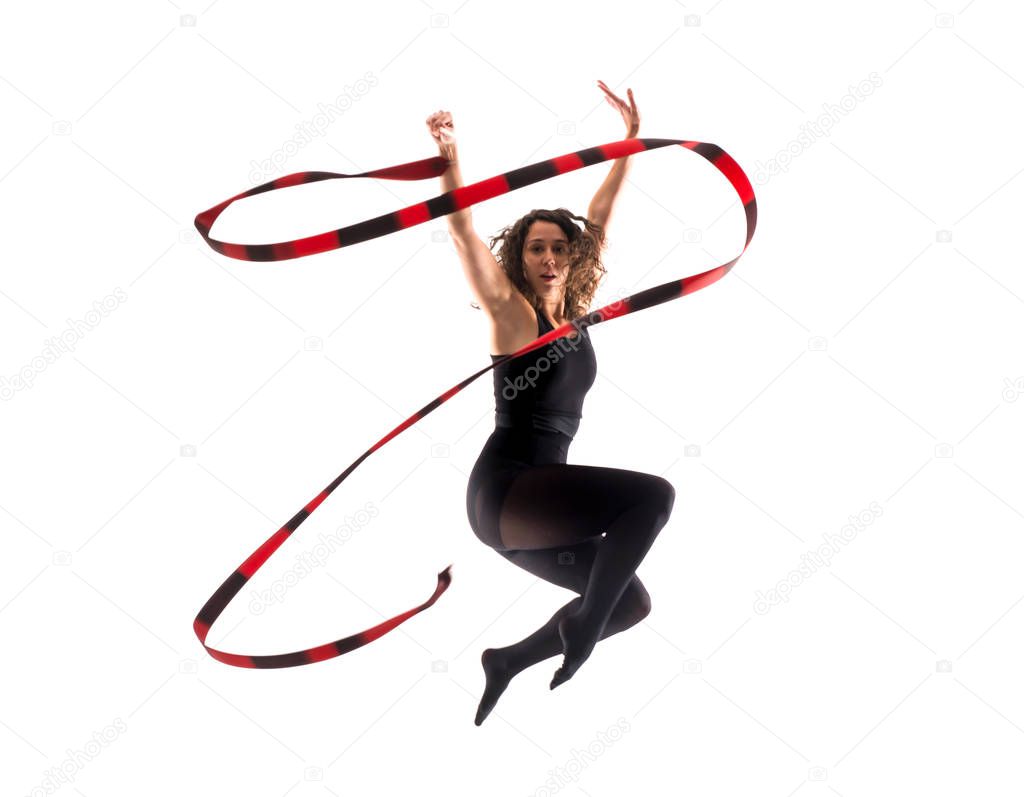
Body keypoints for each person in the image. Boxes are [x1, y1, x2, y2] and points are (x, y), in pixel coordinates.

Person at [425, 82, 676, 727]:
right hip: (508, 494)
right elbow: (460, 231)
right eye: (535, 247)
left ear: (573, 258)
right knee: (652, 497)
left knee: (628, 603)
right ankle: (583, 633)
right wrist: (450, 156)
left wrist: (626, 148)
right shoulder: (513, 316)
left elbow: (602, 212)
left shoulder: (578, 316)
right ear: (522, 256)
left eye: (558, 248)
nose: (547, 257)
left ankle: (507, 660)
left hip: (532, 518)